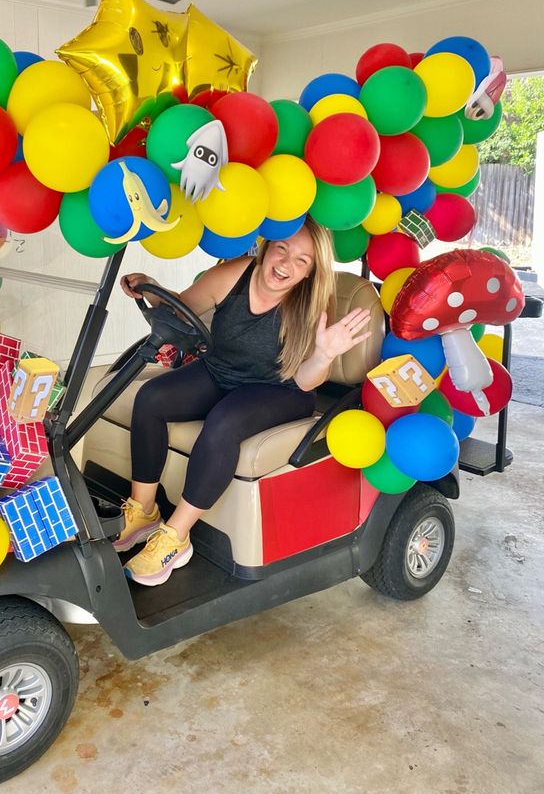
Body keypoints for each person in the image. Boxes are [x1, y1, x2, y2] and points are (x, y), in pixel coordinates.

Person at [115, 218, 372, 586]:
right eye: (282, 249)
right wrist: (151, 288)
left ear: (310, 272)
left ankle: (176, 537)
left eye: (302, 261)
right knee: (151, 397)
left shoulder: (311, 305)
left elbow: (304, 378)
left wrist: (323, 356)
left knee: (224, 423)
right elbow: (181, 310)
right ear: (267, 247)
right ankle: (143, 513)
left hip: (281, 389)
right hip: (221, 371)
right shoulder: (233, 275)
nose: (286, 264)